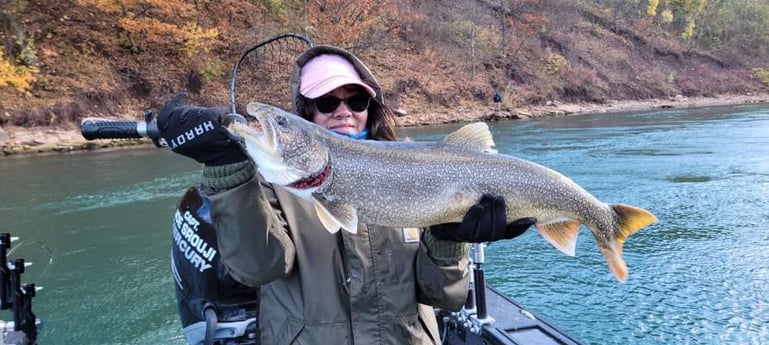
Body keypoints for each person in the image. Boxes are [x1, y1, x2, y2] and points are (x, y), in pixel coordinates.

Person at [157, 45, 536, 344]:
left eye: (356, 101)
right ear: (307, 112)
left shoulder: (421, 171)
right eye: (326, 102)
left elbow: (444, 297)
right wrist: (227, 173)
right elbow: (259, 268)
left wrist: (449, 240)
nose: (344, 111)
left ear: (370, 108)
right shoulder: (266, 184)